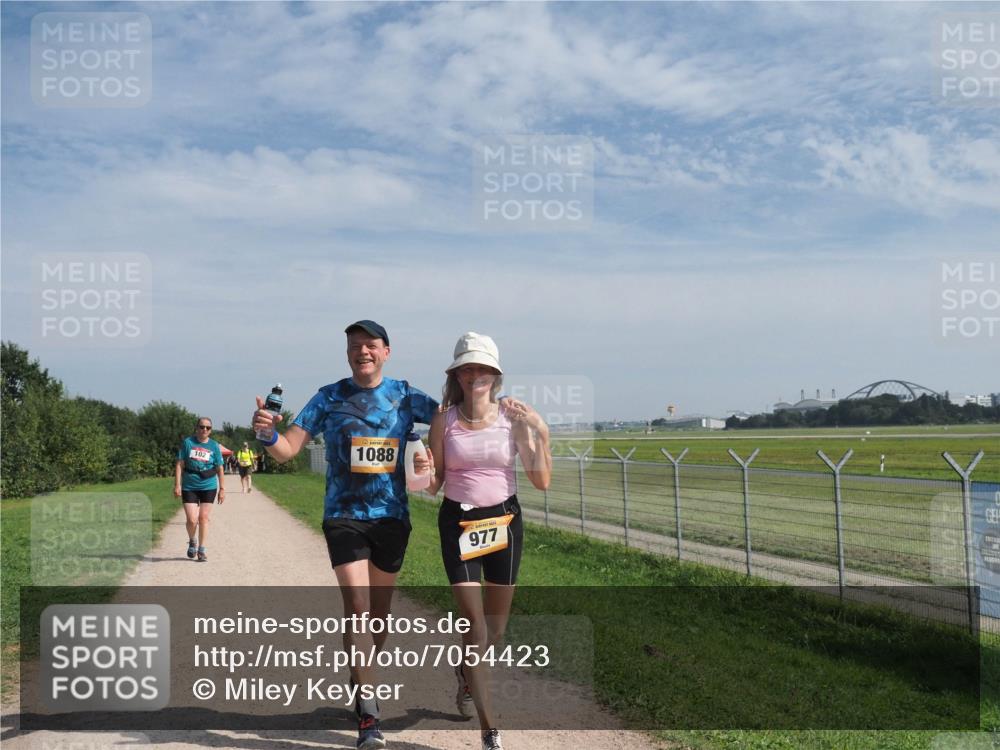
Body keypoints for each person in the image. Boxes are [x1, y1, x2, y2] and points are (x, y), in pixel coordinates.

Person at [252, 320, 438, 750]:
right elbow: (288, 450)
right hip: (344, 516)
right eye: (355, 346)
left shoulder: (406, 395)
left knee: (378, 617)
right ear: (348, 354)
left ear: (387, 351)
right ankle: (370, 717)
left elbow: (452, 418)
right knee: (356, 607)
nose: (362, 352)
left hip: (392, 517)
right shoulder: (328, 397)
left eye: (371, 345)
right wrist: (266, 434)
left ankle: (360, 679)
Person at [426, 332, 551, 750]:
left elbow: (541, 480)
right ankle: (489, 728)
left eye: (482, 367)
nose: (474, 374)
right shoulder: (443, 422)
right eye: (467, 367)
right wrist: (421, 470)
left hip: (505, 522)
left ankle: (464, 673)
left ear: (494, 375)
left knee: (495, 630)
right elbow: (435, 482)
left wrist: (539, 431)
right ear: (457, 374)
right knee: (476, 627)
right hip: (459, 523)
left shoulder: (513, 418)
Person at [173, 417, 226, 562]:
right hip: (189, 485)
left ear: (210, 430)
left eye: (208, 428)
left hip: (208, 485)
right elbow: (179, 465)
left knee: (203, 518)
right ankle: (192, 541)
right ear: (196, 428)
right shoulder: (188, 443)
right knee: (191, 519)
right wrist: (177, 485)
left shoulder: (214, 446)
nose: (204, 430)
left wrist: (222, 488)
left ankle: (201, 550)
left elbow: (220, 468)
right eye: (202, 427)